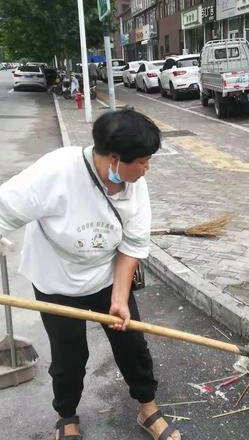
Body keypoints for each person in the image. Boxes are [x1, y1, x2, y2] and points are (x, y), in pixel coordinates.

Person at [0, 110, 181, 440]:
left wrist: (119, 299)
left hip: (106, 277)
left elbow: (131, 246)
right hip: (56, 281)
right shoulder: (56, 171)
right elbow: (4, 211)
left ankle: (147, 407)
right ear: (114, 158)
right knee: (69, 356)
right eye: (141, 161)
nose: (147, 169)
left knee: (132, 344)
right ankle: (66, 416)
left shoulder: (134, 185)